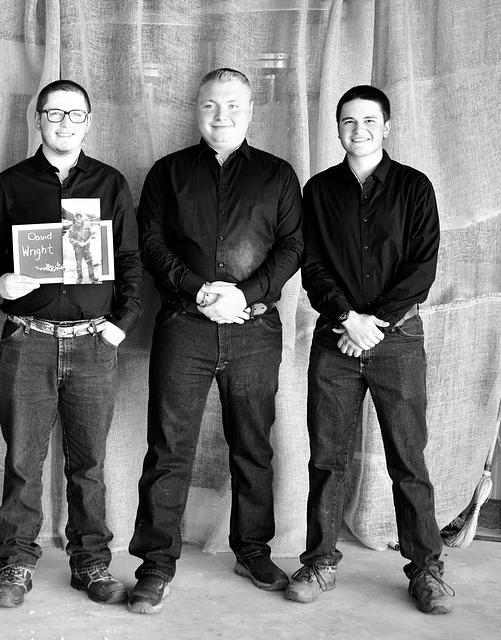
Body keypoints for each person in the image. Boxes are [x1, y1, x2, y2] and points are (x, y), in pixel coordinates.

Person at [128, 68, 303, 614]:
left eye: (232, 105)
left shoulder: (278, 175)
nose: (220, 115)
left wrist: (243, 295)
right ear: (196, 109)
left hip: (255, 327)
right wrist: (200, 290)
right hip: (185, 324)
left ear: (250, 110)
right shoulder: (168, 172)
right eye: (210, 105)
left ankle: (252, 550)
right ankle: (156, 563)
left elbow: (293, 247)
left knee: (253, 444)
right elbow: (151, 243)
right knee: (168, 446)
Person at [0, 79, 143, 608]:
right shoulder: (12, 184)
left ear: (88, 121)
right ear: (38, 119)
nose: (64, 123)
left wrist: (122, 323)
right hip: (29, 340)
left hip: (94, 343)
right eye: (54, 113)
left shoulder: (110, 183)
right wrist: (1, 282)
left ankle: (90, 563)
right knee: (23, 461)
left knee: (89, 464)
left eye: (75, 114)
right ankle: (16, 563)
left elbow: (130, 260)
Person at [286, 85, 453, 614]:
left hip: (397, 340)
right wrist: (347, 319)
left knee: (408, 458)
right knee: (327, 457)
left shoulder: (414, 187)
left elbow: (422, 267)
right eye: (348, 122)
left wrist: (373, 325)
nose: (358, 130)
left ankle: (426, 570)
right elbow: (312, 265)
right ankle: (319, 562)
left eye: (368, 121)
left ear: (387, 127)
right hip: (336, 338)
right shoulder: (318, 191)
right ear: (337, 128)